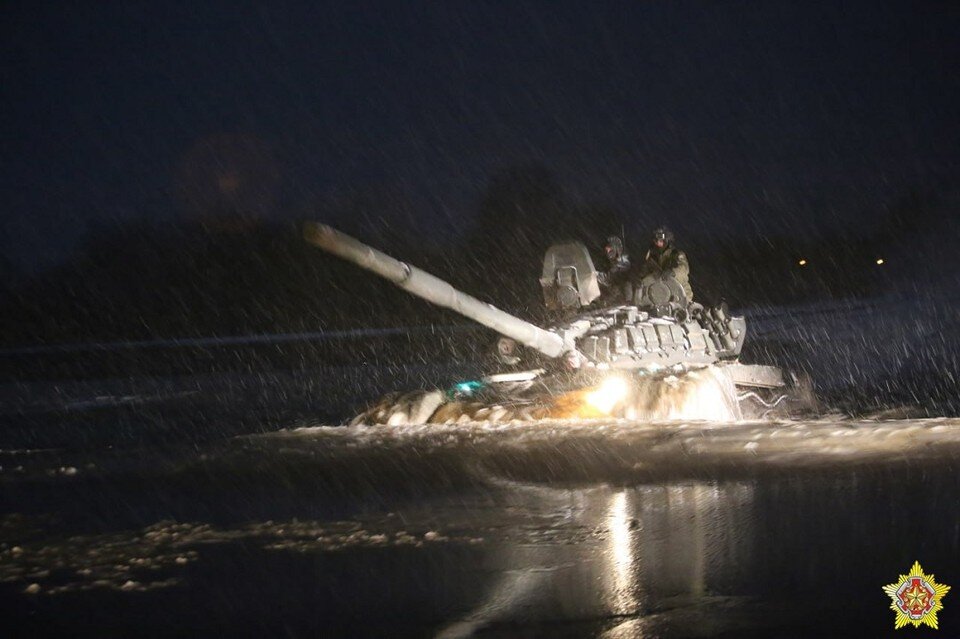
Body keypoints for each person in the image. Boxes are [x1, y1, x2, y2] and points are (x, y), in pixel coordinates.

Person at [635, 227, 694, 301]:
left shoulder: (676, 254)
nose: (658, 243)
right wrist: (639, 280)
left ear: (666, 241)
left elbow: (684, 269)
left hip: (680, 294)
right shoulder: (652, 257)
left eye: (660, 241)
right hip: (660, 295)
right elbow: (644, 272)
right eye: (656, 241)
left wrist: (673, 272)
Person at [597, 235, 632, 303]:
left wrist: (596, 275)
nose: (607, 249)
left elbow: (609, 277)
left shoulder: (623, 263)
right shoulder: (610, 261)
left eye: (609, 247)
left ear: (616, 249)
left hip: (621, 297)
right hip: (613, 293)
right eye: (607, 247)